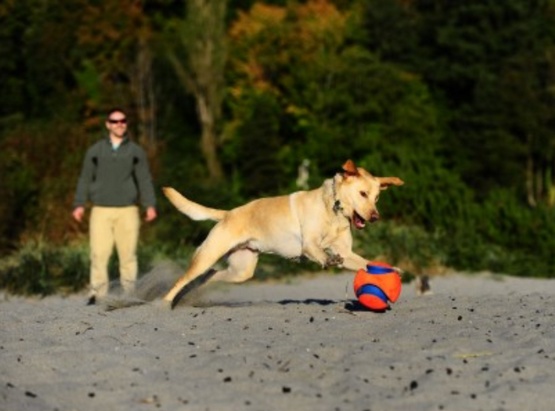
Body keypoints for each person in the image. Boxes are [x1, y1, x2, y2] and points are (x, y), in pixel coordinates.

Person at [72, 108, 157, 304]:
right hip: (100, 210)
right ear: (107, 125)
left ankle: (129, 294)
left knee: (128, 256)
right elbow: (85, 178)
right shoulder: (95, 151)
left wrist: (150, 205)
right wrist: (79, 204)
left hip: (128, 210)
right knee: (98, 254)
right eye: (114, 121)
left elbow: (144, 179)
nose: (119, 124)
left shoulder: (135, 152)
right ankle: (97, 294)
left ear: (126, 124)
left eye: (123, 121)